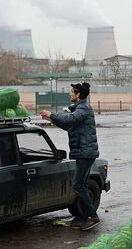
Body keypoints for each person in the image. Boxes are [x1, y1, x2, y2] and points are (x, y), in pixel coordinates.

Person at [40, 82, 100, 231]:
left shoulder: (83, 109)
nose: (70, 94)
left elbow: (69, 120)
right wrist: (52, 119)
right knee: (82, 185)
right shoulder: (80, 110)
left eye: (72, 92)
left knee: (78, 185)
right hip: (83, 152)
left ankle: (92, 217)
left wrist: (52, 114)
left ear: (78, 94)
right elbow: (70, 126)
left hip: (85, 152)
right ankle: (84, 217)